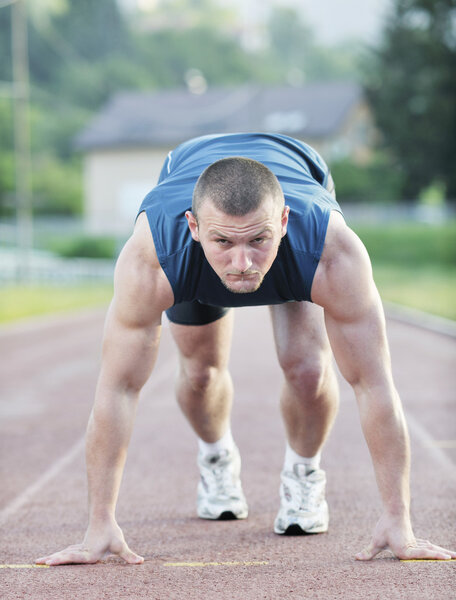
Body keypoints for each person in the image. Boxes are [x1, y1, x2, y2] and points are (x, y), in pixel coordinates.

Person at [36, 133, 455, 566]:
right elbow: (117, 388)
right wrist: (99, 524)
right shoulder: (154, 257)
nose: (242, 263)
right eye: (224, 243)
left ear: (285, 222)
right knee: (200, 374)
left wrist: (398, 518)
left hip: (299, 173)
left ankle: (304, 471)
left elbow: (373, 383)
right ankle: (216, 458)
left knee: (309, 370)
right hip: (188, 186)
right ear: (194, 227)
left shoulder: (332, 252)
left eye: (258, 240)